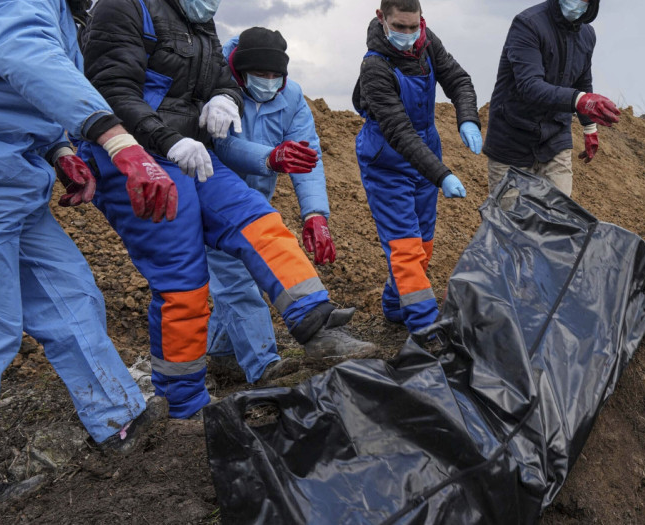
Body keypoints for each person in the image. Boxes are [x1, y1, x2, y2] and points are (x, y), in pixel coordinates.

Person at [0, 0, 170, 512]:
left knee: (70, 294)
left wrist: (59, 149)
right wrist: (114, 137)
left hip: (6, 173)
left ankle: (118, 417)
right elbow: (22, 50)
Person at [80, 0, 374, 420]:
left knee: (259, 222)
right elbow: (109, 87)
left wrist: (222, 97)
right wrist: (166, 140)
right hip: (134, 155)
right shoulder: (124, 7)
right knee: (185, 282)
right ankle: (184, 405)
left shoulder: (198, 18)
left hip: (190, 153)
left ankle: (318, 327)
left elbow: (219, 77)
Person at [205, 27, 335, 384]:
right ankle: (263, 366)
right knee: (235, 281)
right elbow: (220, 144)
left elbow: (309, 156)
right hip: (214, 199)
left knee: (236, 276)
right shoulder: (218, 88)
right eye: (259, 75)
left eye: (275, 75)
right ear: (240, 69)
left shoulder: (291, 97)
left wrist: (314, 213)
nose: (268, 82)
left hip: (255, 202)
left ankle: (221, 354)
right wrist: (270, 157)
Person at [352, 0, 479, 337]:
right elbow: (398, 131)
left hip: (425, 157)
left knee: (423, 244)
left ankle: (395, 306)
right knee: (405, 248)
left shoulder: (427, 42)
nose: (408, 34)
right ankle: (425, 330)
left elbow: (458, 80)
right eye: (399, 27)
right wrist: (442, 174)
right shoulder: (375, 68)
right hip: (388, 163)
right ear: (382, 19)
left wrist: (467, 118)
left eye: (414, 26)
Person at [483, 0, 621, 196]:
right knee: (510, 223)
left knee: (560, 219)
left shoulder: (586, 35)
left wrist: (589, 127)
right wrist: (579, 100)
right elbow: (530, 86)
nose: (578, 3)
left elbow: (582, 81)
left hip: (555, 138)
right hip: (512, 137)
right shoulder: (528, 24)